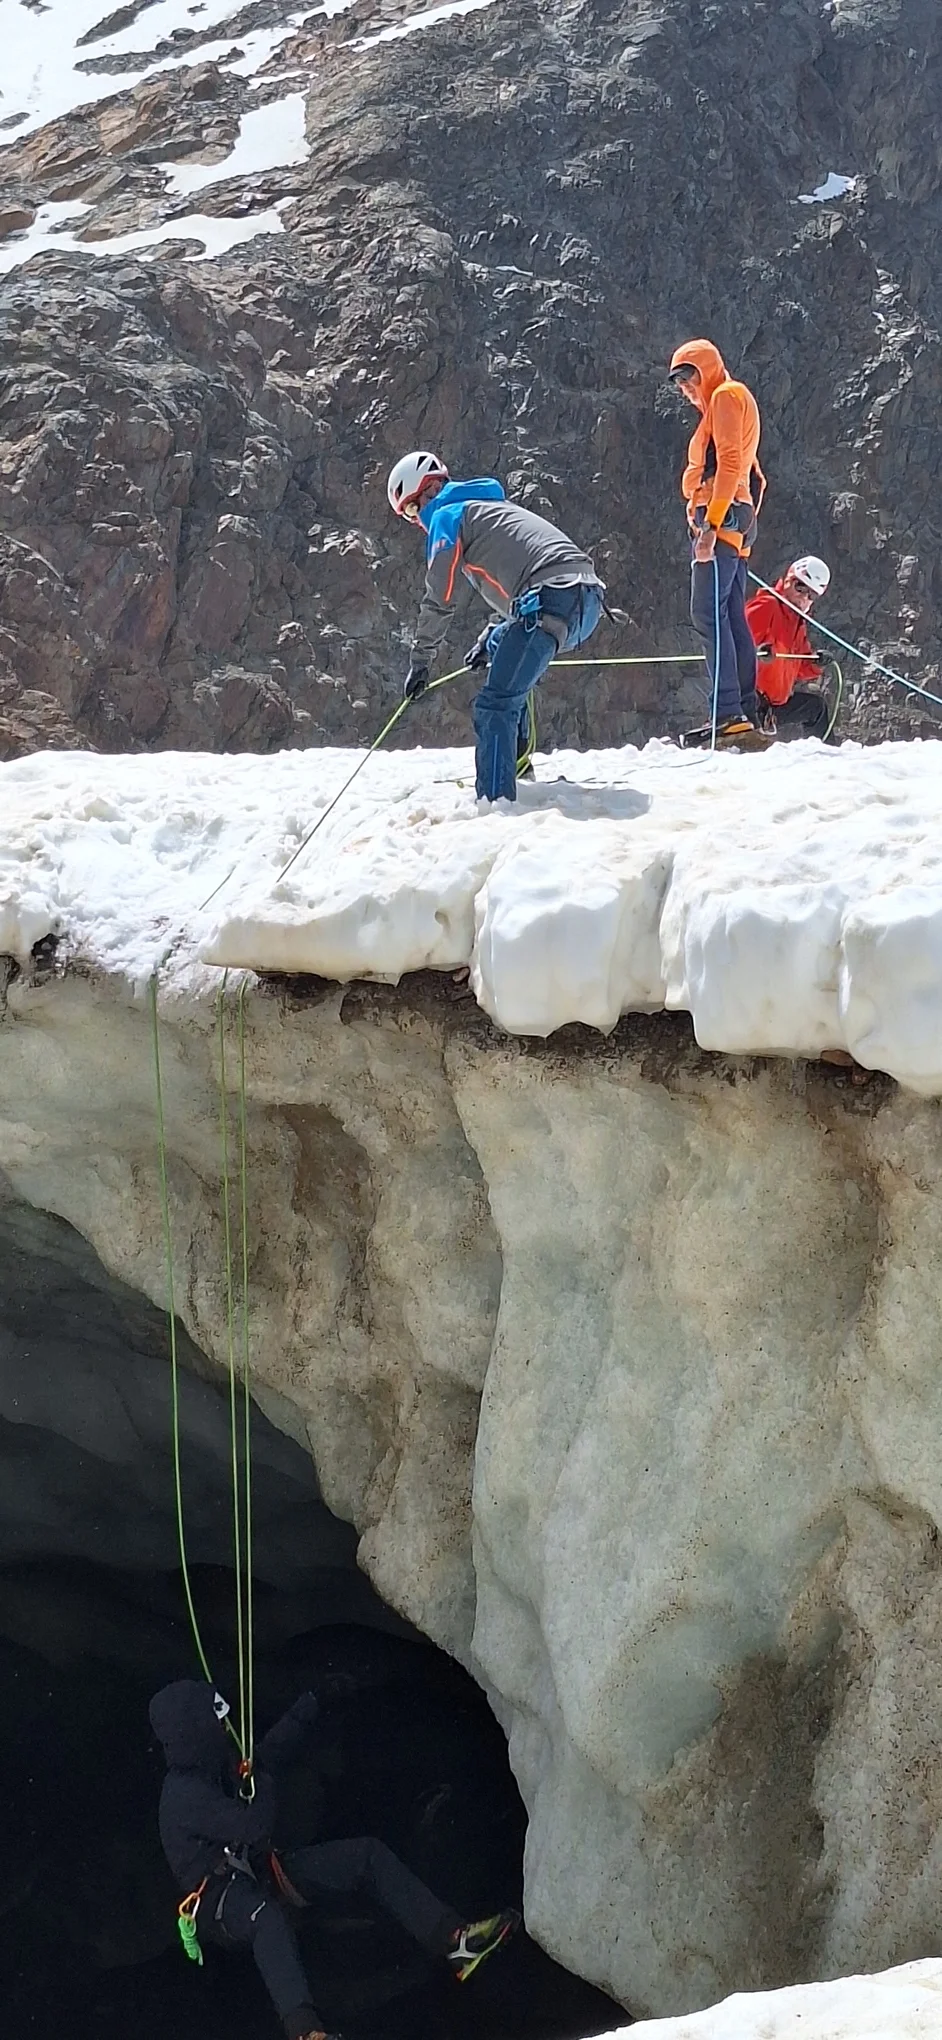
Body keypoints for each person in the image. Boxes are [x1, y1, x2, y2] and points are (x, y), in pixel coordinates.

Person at [149, 1679, 519, 2040]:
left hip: (260, 1873)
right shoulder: (183, 1796)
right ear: (194, 1728)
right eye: (214, 1720)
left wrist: (311, 1702)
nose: (223, 1726)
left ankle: (453, 1942)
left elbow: (270, 1755)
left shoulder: (213, 1764)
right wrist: (260, 1778)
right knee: (266, 1917)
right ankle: (305, 2032)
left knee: (366, 1855)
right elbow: (255, 1824)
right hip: (220, 1902)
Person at [387, 451, 605, 802]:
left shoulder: (447, 513)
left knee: (494, 705)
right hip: (585, 601)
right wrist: (491, 639)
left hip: (550, 598)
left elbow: (440, 595)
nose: (416, 522)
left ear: (425, 492)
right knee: (507, 652)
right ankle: (517, 768)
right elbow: (519, 579)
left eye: (411, 510)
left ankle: (495, 801)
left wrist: (421, 661)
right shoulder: (489, 507)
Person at [668, 339, 767, 746]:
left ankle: (728, 713)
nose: (686, 388)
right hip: (734, 519)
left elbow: (727, 463)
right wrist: (745, 520)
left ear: (707, 368)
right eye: (680, 382)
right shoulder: (730, 400)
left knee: (708, 614)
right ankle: (742, 709)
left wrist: (709, 524)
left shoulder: (726, 396)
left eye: (690, 377)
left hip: (719, 521)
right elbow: (756, 475)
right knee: (729, 614)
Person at [745, 556, 834, 739]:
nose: (804, 597)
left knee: (816, 708)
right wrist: (757, 652)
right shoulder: (766, 606)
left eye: (811, 595)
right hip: (749, 701)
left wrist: (816, 663)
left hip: (774, 706)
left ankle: (828, 758)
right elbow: (734, 643)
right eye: (800, 587)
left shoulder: (796, 622)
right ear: (788, 580)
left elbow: (799, 667)